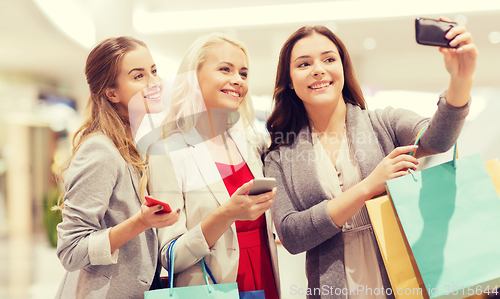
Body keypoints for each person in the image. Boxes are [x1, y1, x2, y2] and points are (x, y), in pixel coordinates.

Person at [264, 20, 476, 299]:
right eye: (304, 64)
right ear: (289, 82)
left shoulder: (383, 123)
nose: (318, 69)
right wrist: (368, 186)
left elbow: (437, 139)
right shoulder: (280, 155)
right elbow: (292, 235)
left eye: (329, 59)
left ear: (342, 68)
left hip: (399, 274)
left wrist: (461, 79)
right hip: (332, 287)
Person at [147, 33, 280, 298]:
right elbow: (170, 256)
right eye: (225, 69)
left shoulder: (249, 143)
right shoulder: (166, 151)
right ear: (193, 77)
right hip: (213, 288)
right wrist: (226, 214)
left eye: (243, 73)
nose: (238, 80)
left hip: (264, 277)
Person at [55, 36, 180, 299]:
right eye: (139, 76)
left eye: (154, 71)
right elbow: (71, 250)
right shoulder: (101, 149)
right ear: (111, 92)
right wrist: (141, 222)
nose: (155, 83)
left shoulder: (136, 145)